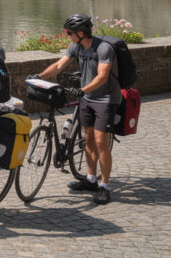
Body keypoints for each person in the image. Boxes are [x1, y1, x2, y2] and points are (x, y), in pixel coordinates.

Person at [34, 14, 119, 205]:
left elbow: (102, 77)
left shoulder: (104, 48)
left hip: (106, 99)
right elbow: (58, 66)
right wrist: (38, 76)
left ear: (80, 33)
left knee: (100, 141)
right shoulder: (76, 47)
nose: (68, 36)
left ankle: (104, 186)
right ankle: (90, 179)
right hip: (87, 98)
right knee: (88, 138)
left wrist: (82, 89)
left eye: (70, 33)